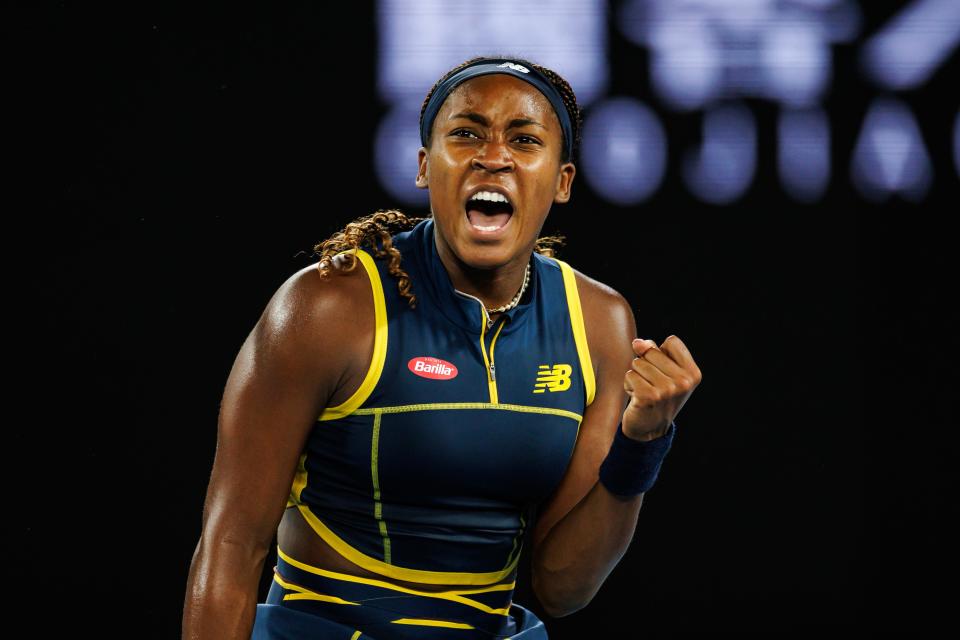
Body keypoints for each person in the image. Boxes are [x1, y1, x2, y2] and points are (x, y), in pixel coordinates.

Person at [182, 55, 702, 640]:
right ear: (426, 167)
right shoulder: (327, 307)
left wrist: (642, 444)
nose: (494, 156)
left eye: (525, 139)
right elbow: (232, 545)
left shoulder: (600, 323)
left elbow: (563, 586)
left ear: (562, 181)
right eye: (466, 133)